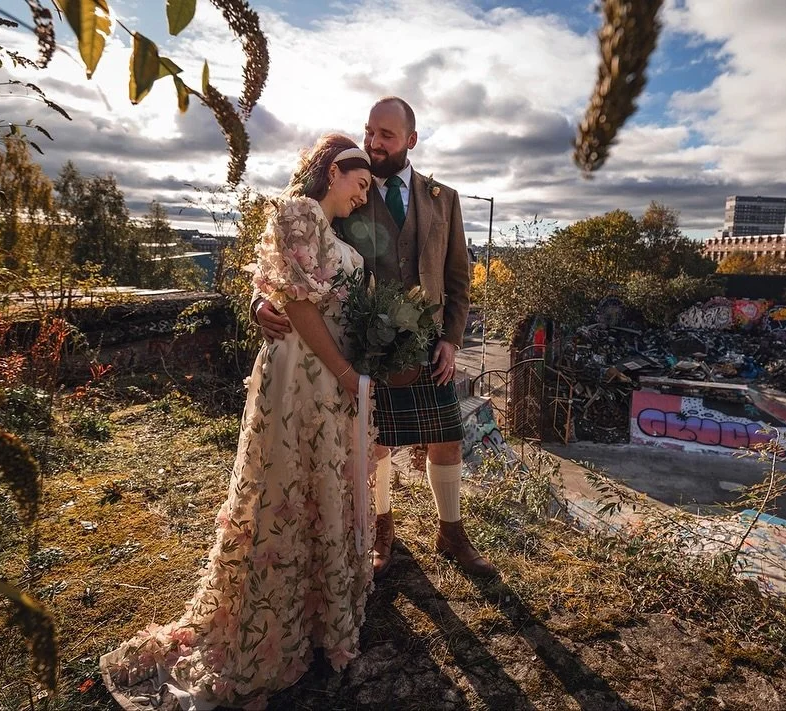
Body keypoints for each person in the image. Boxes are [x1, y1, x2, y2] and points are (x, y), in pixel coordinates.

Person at [99, 134, 376, 711]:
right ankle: (274, 623)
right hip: (304, 378)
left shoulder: (335, 236)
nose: (364, 193)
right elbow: (296, 303)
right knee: (286, 486)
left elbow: (283, 286)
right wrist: (347, 373)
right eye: (360, 181)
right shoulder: (299, 212)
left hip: (329, 382)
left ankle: (316, 613)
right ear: (333, 171)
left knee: (317, 488)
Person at [255, 97, 497, 579]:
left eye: (386, 135)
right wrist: (259, 302)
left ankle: (451, 531)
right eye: (370, 132)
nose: (374, 142)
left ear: (411, 138)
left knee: (445, 437)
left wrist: (451, 339)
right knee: (375, 444)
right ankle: (382, 528)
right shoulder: (351, 188)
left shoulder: (442, 198)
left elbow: (458, 278)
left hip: (428, 342)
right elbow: (290, 252)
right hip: (363, 342)